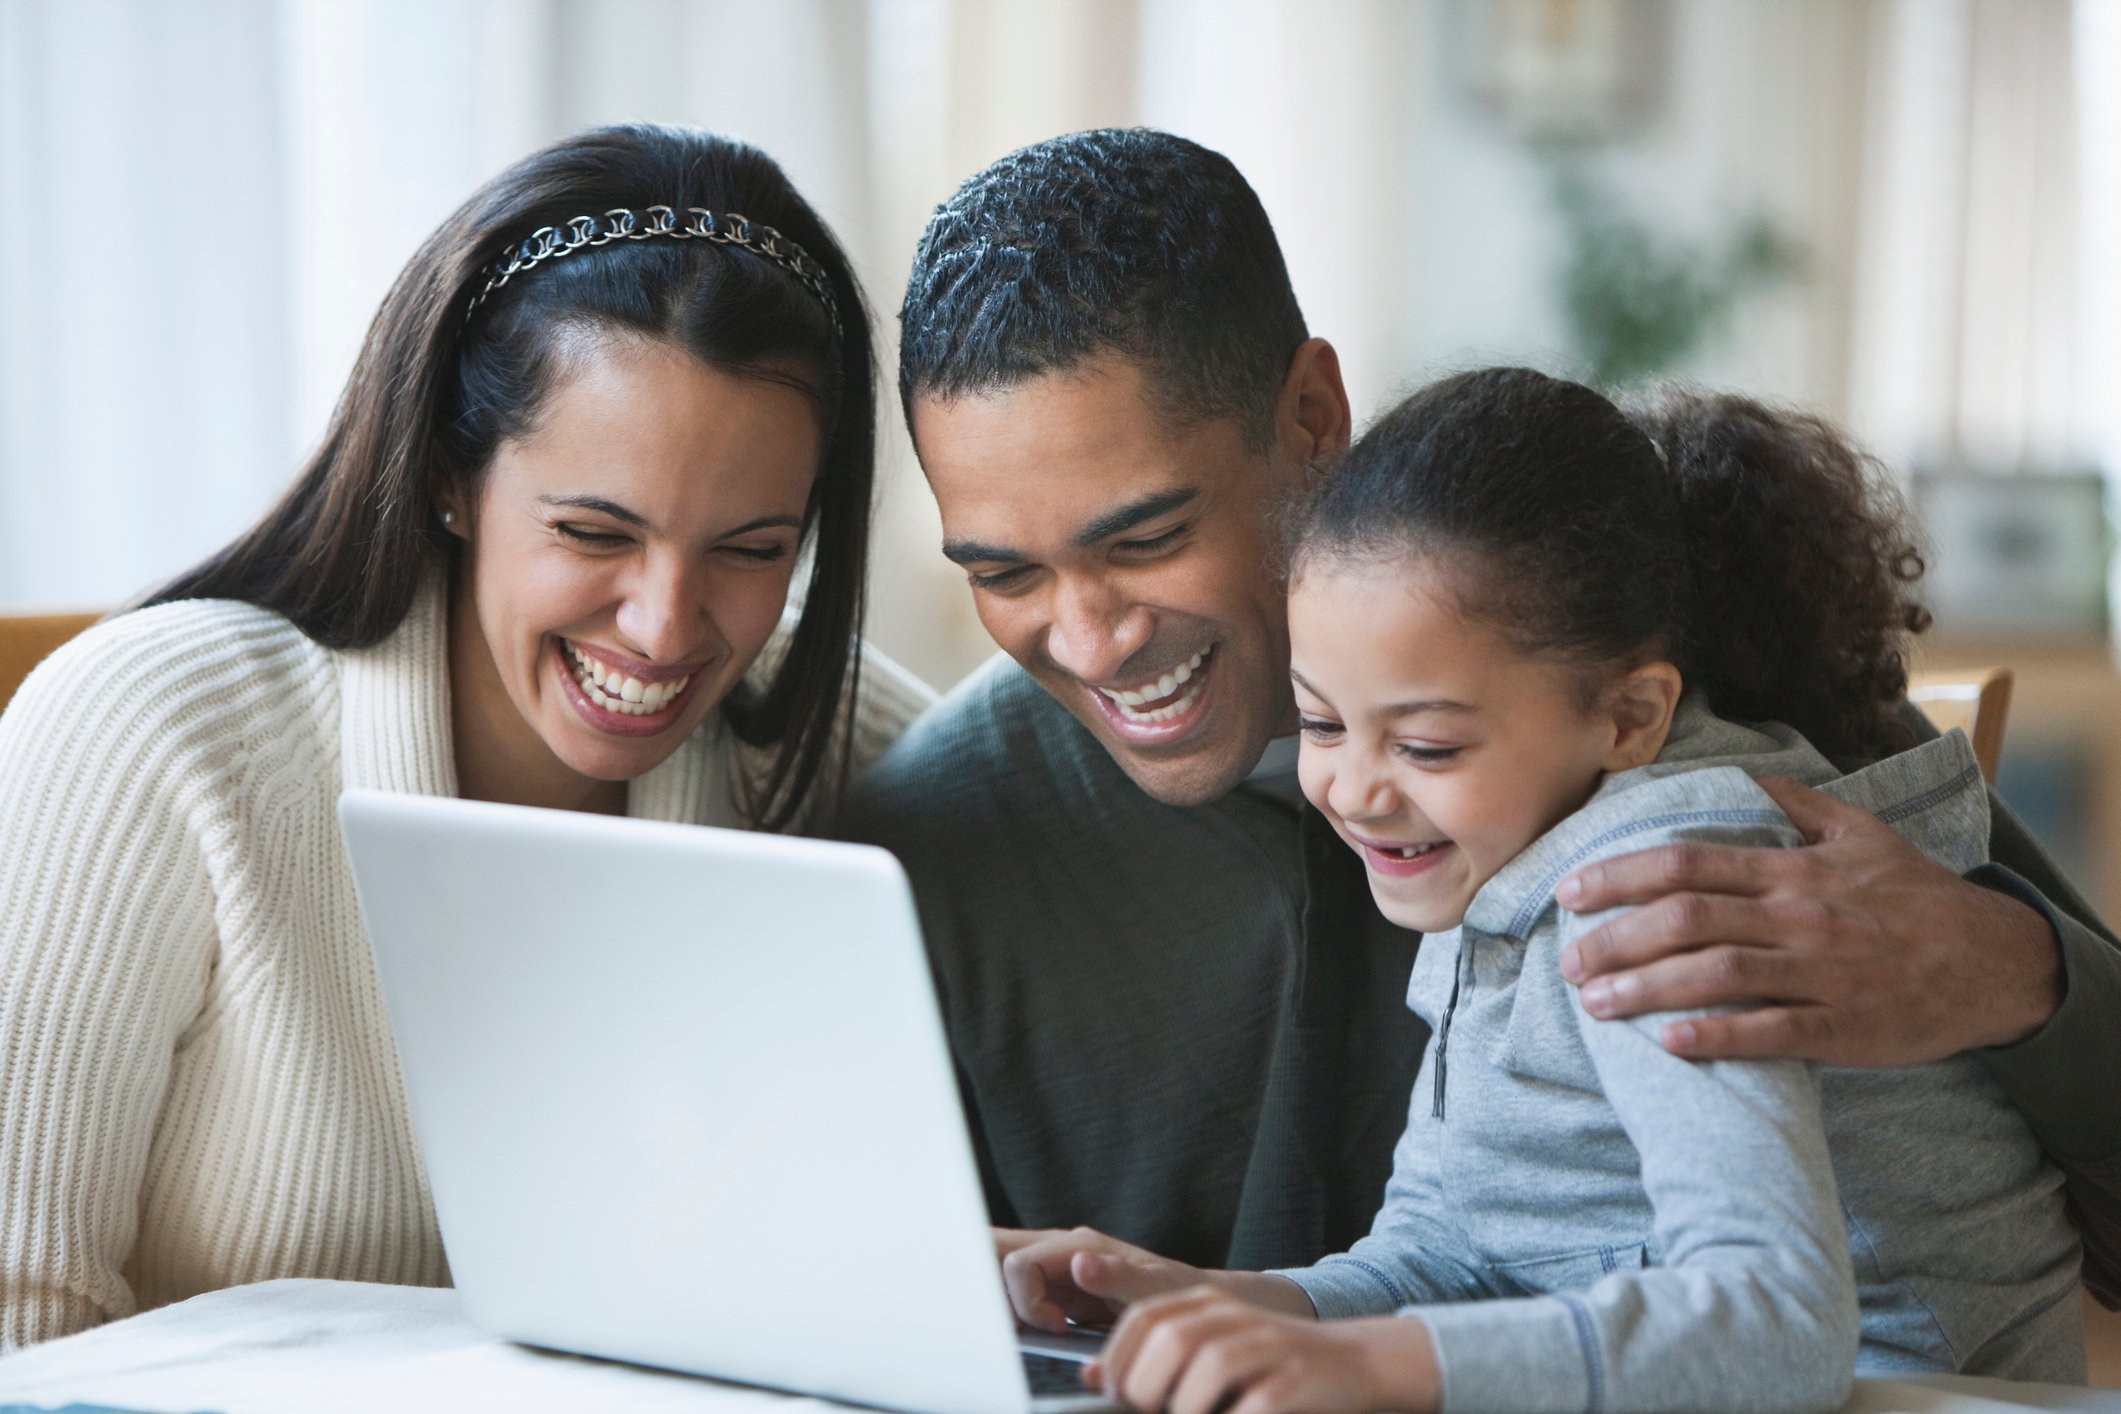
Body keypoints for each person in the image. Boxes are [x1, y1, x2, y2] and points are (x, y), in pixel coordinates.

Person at [844, 127, 2120, 1287]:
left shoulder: (1669, 660)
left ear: (1310, 417)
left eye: (1147, 537)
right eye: (1005, 572)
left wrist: (2010, 972)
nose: (1087, 638)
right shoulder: (935, 844)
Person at [0, 123, 929, 1349]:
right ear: (450, 474)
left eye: (752, 550)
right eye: (595, 533)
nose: (663, 627)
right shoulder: (154, 737)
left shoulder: (838, 746)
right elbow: (21, 1325)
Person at [993, 368, 2081, 1414]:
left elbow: (1781, 1323)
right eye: (1320, 721)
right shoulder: (1522, 847)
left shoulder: (1667, 884)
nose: (1355, 789)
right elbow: (1454, 1250)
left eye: (1424, 742)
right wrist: (1219, 1302)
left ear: (1627, 717)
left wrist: (1387, 1367)